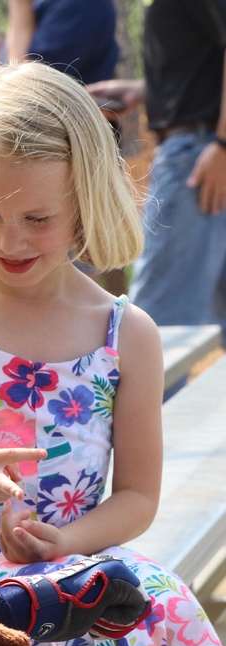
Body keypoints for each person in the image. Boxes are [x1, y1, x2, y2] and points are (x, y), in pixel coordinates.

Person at [0, 61, 224, 646]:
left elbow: (138, 498)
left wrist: (63, 542)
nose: (9, 241)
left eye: (37, 219)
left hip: (80, 563)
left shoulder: (126, 335)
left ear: (83, 200)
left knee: (153, 613)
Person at [86, 0, 226, 398]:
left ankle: (140, 452)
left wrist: (223, 144)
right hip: (204, 145)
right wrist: (151, 91)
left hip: (201, 157)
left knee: (151, 329)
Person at [0, 0, 119, 85]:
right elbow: (9, 70)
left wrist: (19, 7)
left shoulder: (77, 6)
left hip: (64, 142)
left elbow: (22, 90)